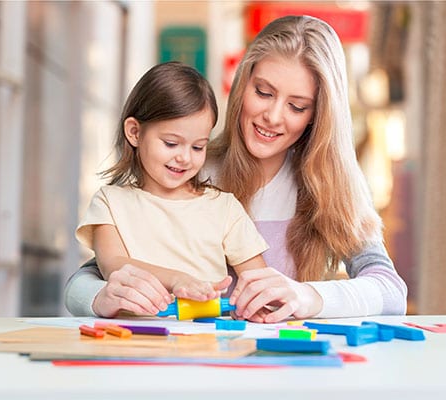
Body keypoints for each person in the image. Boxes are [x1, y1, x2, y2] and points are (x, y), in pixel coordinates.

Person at [64, 15, 407, 322]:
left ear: (318, 116)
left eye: (297, 106)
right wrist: (99, 298)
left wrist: (309, 296)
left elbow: (391, 291)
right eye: (263, 92)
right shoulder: (190, 168)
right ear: (242, 84)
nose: (272, 116)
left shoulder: (334, 187)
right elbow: (95, 273)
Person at [73, 61, 269, 317]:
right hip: (131, 343)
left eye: (198, 147)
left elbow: (258, 282)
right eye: (171, 143)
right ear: (134, 132)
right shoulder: (110, 202)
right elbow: (115, 267)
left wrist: (256, 307)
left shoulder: (224, 208)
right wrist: (177, 280)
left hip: (205, 344)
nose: (185, 158)